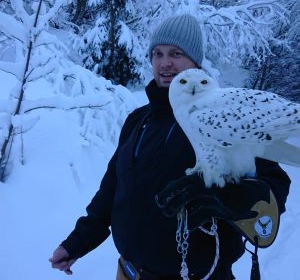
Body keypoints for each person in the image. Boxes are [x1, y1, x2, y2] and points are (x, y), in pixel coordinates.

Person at [49, 14, 291, 280]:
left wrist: (233, 197)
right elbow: (112, 189)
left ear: (194, 62)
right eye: (158, 53)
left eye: (176, 53)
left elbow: (274, 184)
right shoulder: (138, 120)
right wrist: (77, 242)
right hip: (128, 272)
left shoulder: (222, 115)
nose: (165, 63)